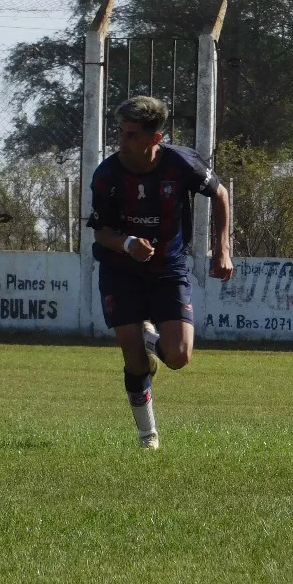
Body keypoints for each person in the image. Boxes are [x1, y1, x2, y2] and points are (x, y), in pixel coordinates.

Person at [87, 95, 233, 450]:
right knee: (133, 358)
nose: (122, 142)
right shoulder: (107, 174)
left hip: (168, 268)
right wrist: (127, 244)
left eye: (132, 135)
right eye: (120, 133)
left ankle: (150, 337)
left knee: (179, 357)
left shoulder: (181, 163)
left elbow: (221, 194)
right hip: (120, 270)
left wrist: (223, 250)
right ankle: (147, 434)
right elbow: (101, 232)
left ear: (156, 138)